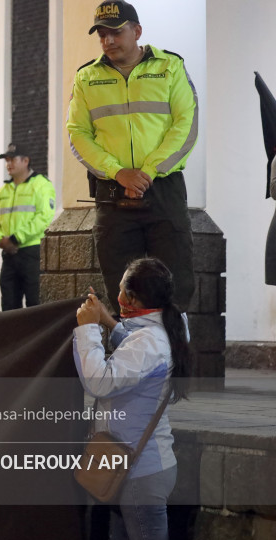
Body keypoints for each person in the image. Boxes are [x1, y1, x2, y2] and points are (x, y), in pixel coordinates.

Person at [67, 0, 198, 313]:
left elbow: (186, 125)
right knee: (121, 285)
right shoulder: (86, 77)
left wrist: (148, 172)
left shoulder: (170, 66)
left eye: (115, 32)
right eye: (101, 34)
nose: (108, 40)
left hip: (163, 188)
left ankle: (174, 357)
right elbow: (77, 134)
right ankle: (131, 357)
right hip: (112, 193)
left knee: (174, 282)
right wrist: (118, 172)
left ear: (137, 31)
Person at [74, 257, 190, 540]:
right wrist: (107, 321)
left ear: (133, 299)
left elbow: (99, 382)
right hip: (130, 465)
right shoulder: (161, 329)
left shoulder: (150, 341)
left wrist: (87, 330)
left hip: (140, 472)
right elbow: (136, 354)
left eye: (123, 288)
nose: (117, 294)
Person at [0, 143, 56, 310]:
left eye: (12, 159)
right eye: (6, 160)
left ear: (26, 160)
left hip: (32, 252)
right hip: (9, 254)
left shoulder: (41, 184)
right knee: (8, 306)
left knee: (35, 303)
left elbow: (44, 216)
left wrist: (15, 238)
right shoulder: (3, 190)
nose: (8, 164)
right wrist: (0, 240)